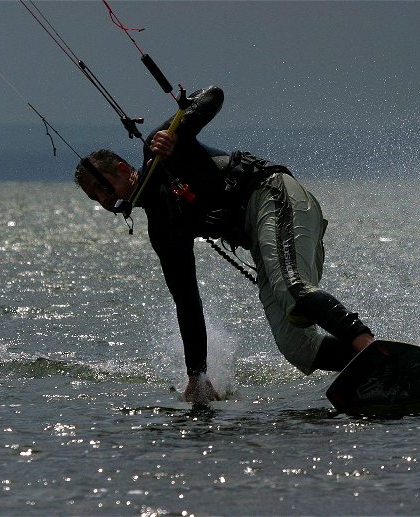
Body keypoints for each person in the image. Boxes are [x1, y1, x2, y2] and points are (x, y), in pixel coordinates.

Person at [75, 86, 375, 403]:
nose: (105, 200)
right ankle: (370, 366)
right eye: (95, 197)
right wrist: (197, 375)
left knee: (293, 290)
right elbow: (187, 303)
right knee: (296, 347)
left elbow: (212, 95)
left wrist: (173, 134)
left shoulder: (161, 149)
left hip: (272, 196)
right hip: (260, 238)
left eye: (102, 187)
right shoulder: (164, 230)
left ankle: (371, 350)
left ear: (123, 170)